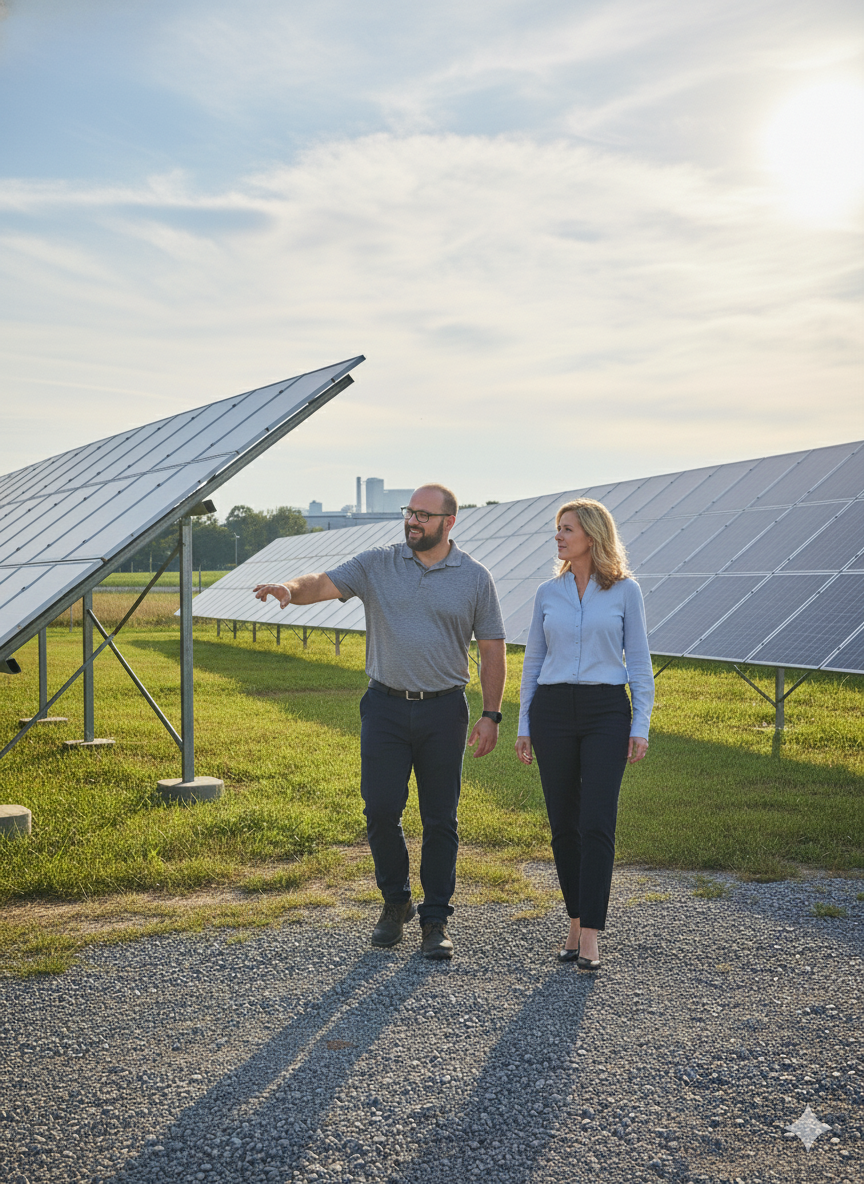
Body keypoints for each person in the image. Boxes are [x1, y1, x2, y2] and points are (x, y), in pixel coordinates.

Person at [253, 484, 506, 960]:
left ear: (449, 522)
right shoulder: (377, 563)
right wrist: (290, 588)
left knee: (440, 817)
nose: (412, 522)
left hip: (443, 709)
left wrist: (491, 714)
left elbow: (493, 646)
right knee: (380, 809)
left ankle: (435, 918)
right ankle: (396, 902)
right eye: (409, 513)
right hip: (385, 707)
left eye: (423, 516)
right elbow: (323, 582)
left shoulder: (475, 578)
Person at [515, 498, 653, 970]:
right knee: (563, 826)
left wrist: (640, 725)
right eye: (558, 529)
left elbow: (638, 661)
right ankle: (574, 918)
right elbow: (532, 660)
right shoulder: (546, 593)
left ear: (591, 535)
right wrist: (524, 724)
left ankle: (591, 930)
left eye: (566, 528)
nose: (558, 536)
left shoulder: (625, 592)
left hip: (604, 712)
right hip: (552, 712)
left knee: (596, 821)